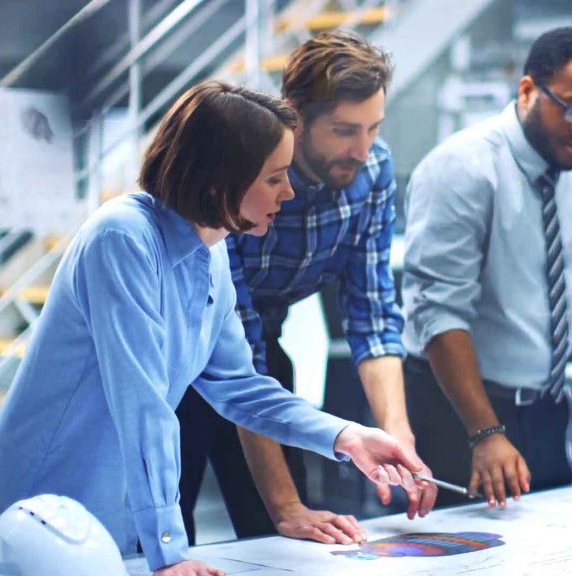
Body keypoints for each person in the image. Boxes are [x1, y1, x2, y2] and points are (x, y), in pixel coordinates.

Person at [0, 81, 422, 576]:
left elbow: (241, 388)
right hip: (48, 508)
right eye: (274, 178)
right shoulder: (122, 237)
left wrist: (347, 436)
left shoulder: (209, 252)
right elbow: (142, 403)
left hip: (115, 505)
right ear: (220, 180)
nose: (289, 192)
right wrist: (170, 552)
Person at [177, 30, 436, 546]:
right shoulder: (243, 173)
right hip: (180, 361)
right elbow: (236, 349)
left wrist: (396, 439)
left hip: (262, 352)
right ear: (294, 113)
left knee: (284, 540)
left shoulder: (373, 169)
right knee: (167, 536)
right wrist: (287, 505)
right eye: (345, 131)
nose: (363, 150)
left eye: (373, 128)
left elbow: (372, 310)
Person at [401, 27, 572, 509]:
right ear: (527, 91)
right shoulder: (463, 168)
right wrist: (486, 432)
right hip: (459, 414)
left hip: (545, 414)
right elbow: (438, 315)